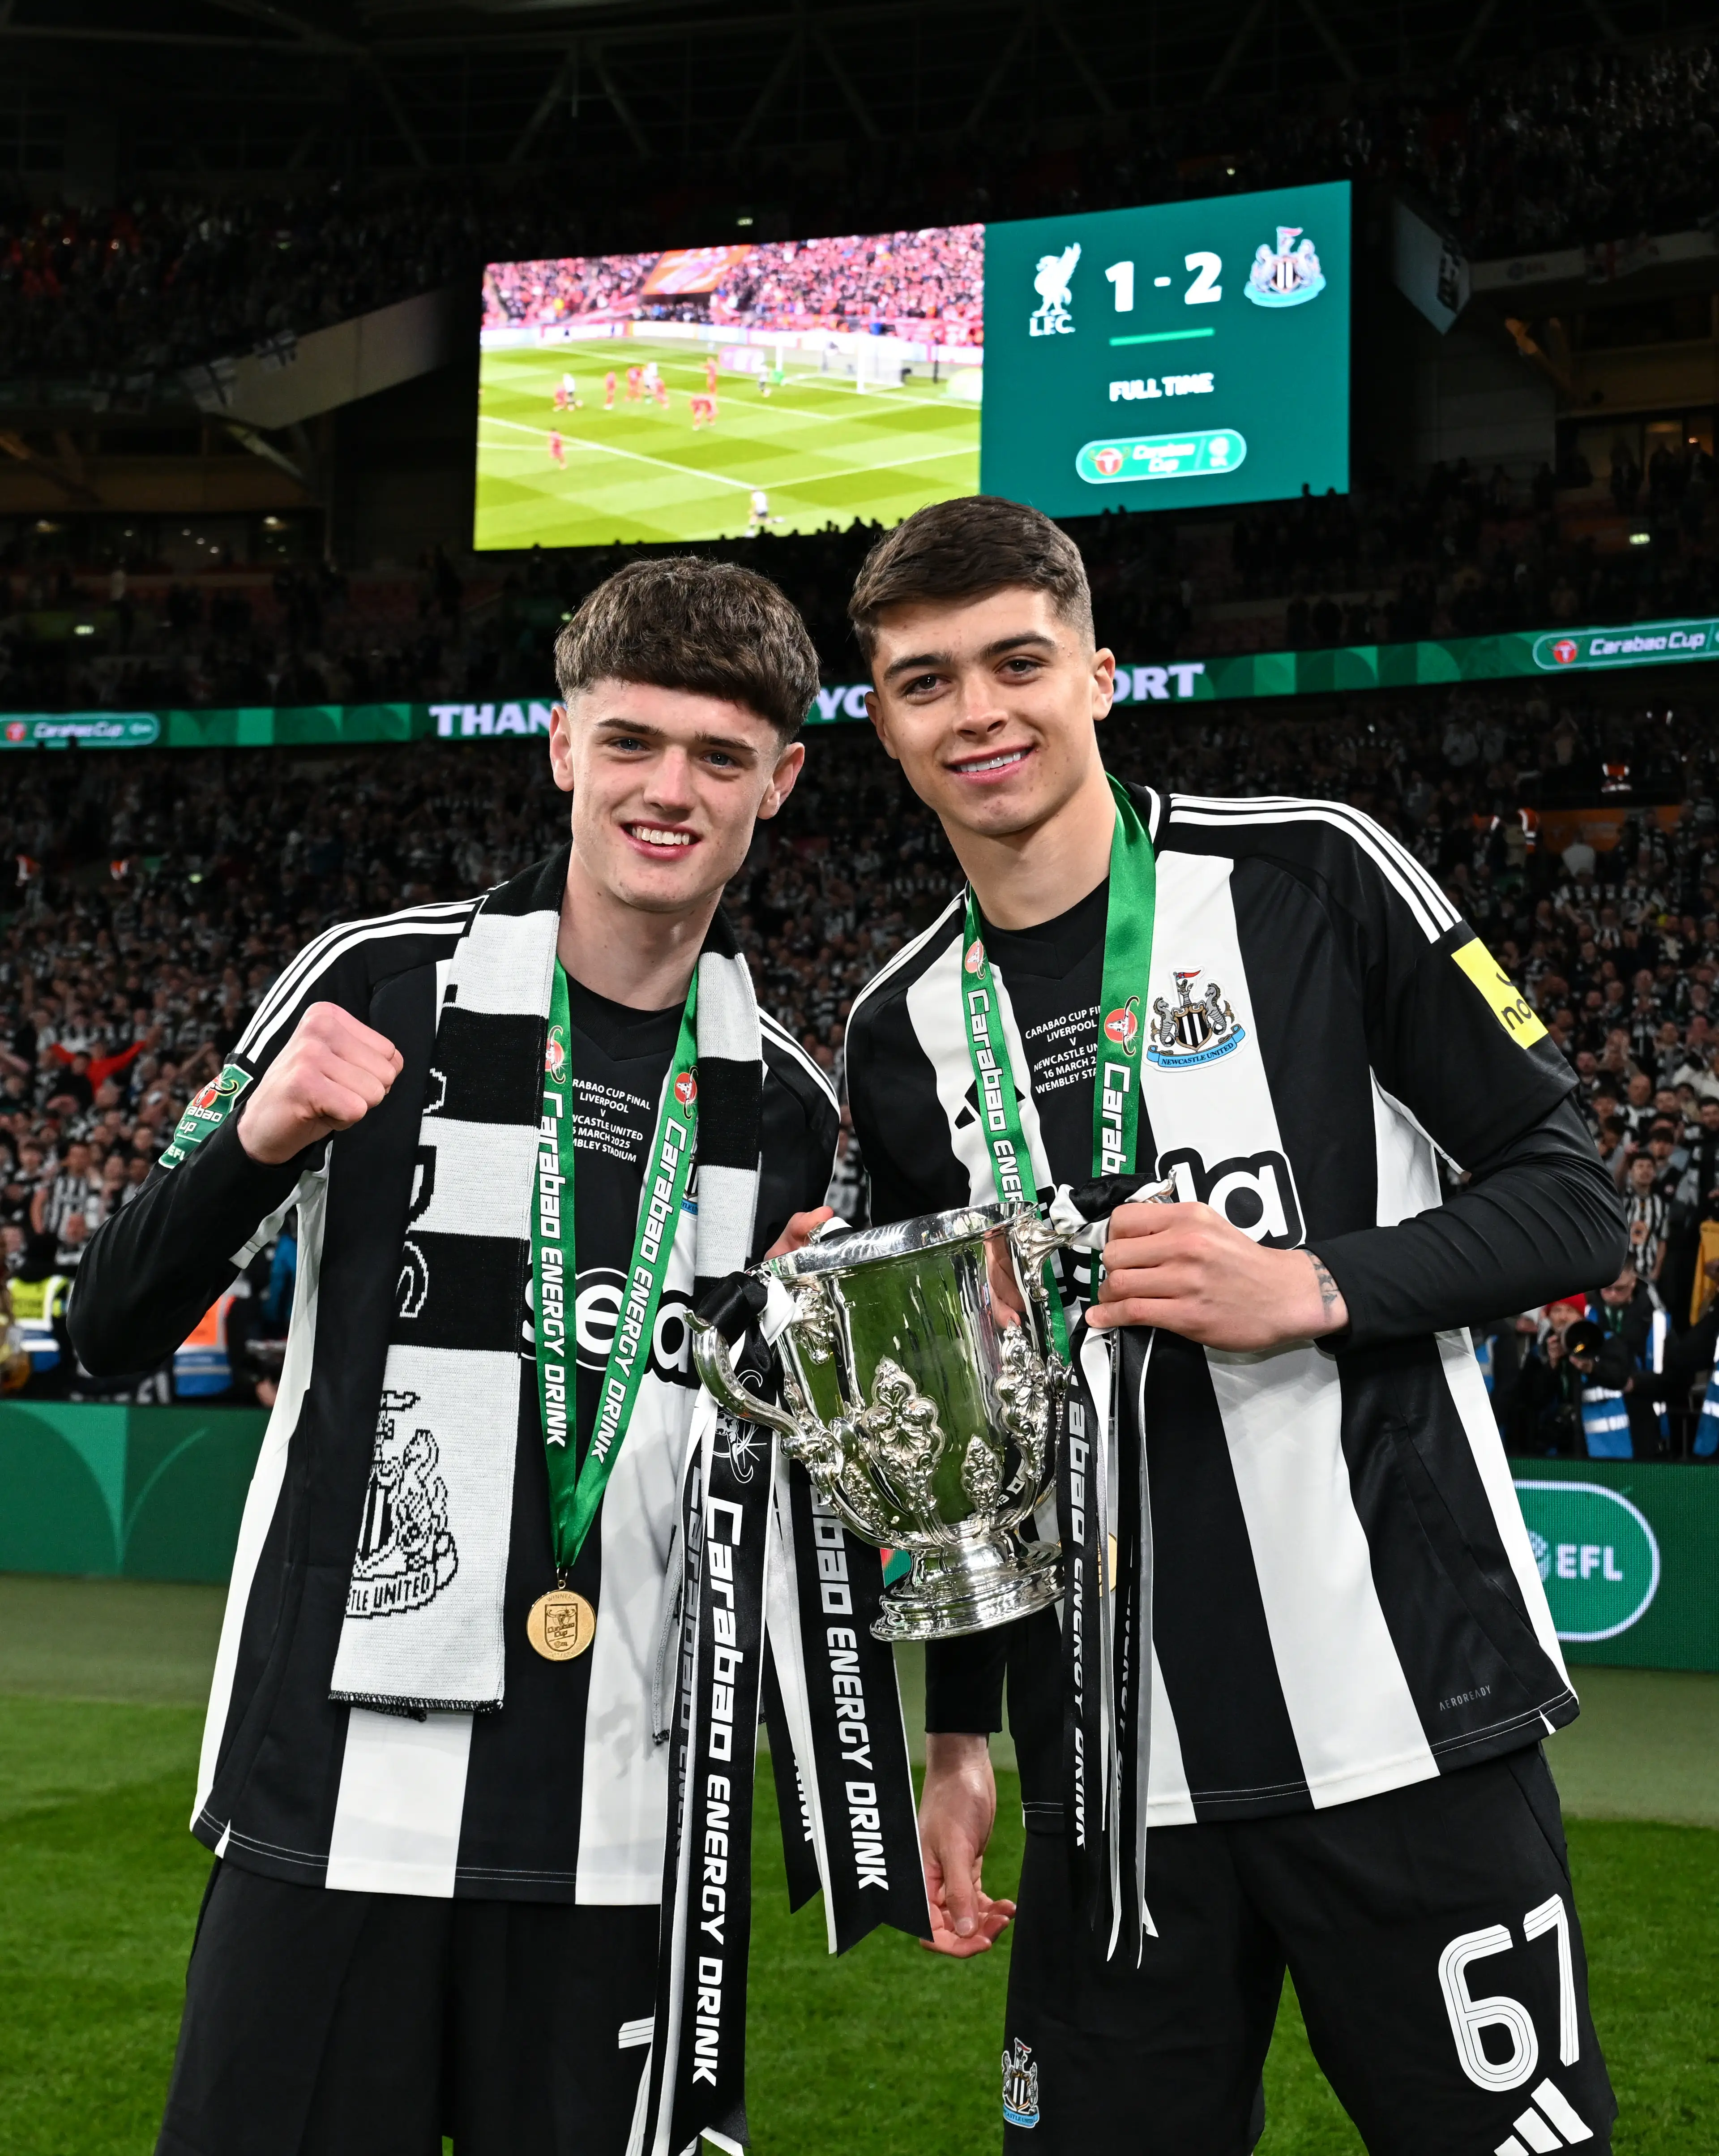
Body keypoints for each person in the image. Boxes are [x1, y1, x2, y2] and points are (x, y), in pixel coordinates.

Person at [840, 496, 1627, 2155]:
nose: (977, 711)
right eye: (926, 682)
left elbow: (1574, 1199)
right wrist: (959, 1735)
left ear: (1099, 676)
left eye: (1017, 663)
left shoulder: (1311, 873)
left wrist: (1314, 1285)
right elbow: (959, 1444)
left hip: (1400, 1717)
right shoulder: (899, 1029)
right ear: (886, 727)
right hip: (1109, 1782)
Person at [70, 559, 842, 2156]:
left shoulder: (788, 1105)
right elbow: (107, 1324)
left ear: (779, 783)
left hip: (627, 1830)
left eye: (718, 755)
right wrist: (260, 1137)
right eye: (631, 741)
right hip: (331, 1802)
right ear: (563, 747)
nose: (668, 789)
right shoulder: (378, 981)